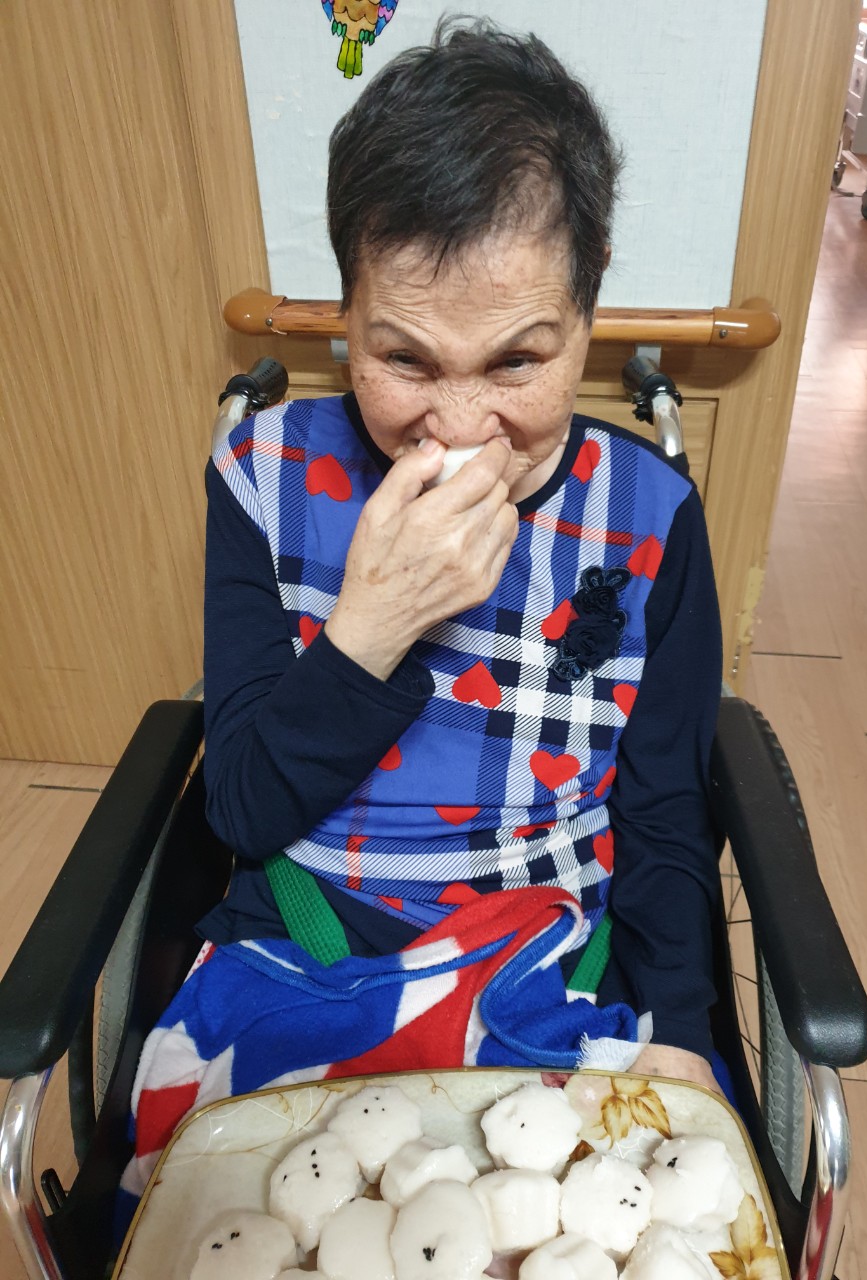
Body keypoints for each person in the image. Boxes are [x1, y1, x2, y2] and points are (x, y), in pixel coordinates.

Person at [122, 17, 723, 1203]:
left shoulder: (650, 519)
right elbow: (241, 804)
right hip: (306, 935)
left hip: (553, 947)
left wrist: (685, 1028)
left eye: (517, 362)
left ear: (587, 313)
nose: (453, 428)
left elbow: (662, 816)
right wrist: (373, 624)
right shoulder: (263, 481)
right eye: (402, 359)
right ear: (347, 313)